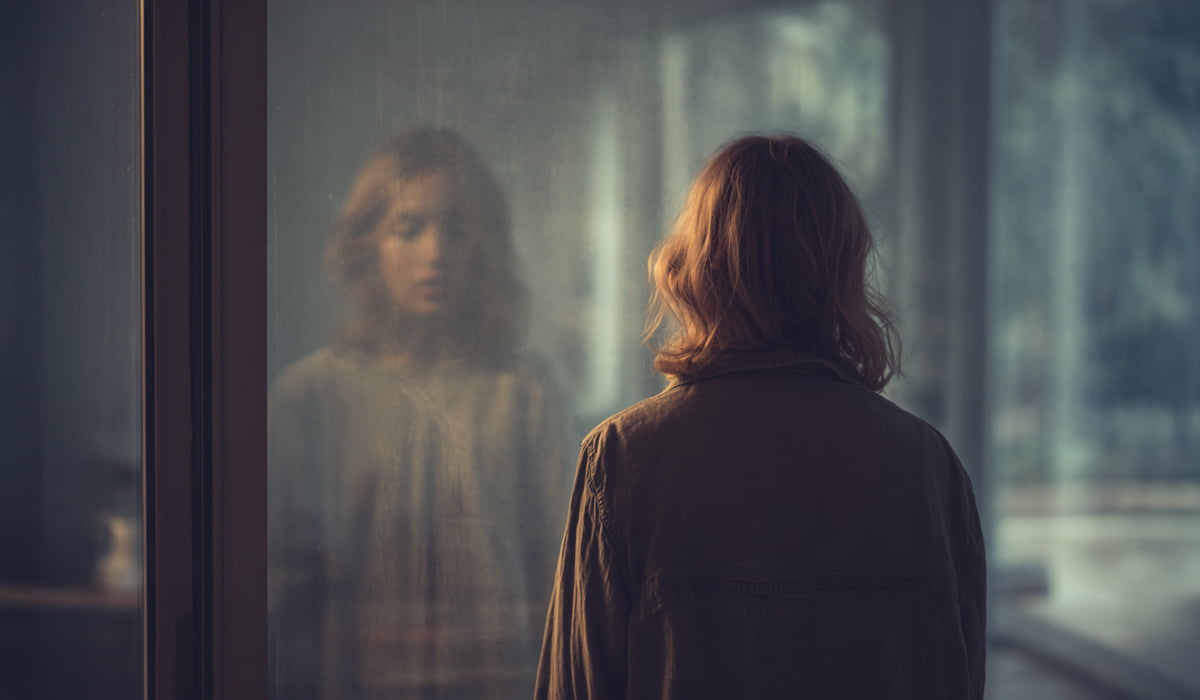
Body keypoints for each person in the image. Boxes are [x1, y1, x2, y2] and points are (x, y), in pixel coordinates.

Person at [535, 134, 986, 699]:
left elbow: (577, 688)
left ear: (694, 266)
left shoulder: (624, 458)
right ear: (842, 266)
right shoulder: (928, 467)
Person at [268, 128, 569, 700]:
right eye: (408, 228)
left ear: (483, 243)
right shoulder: (309, 397)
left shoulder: (528, 392)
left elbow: (560, 575)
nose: (435, 252)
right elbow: (286, 596)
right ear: (368, 244)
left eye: (455, 228)